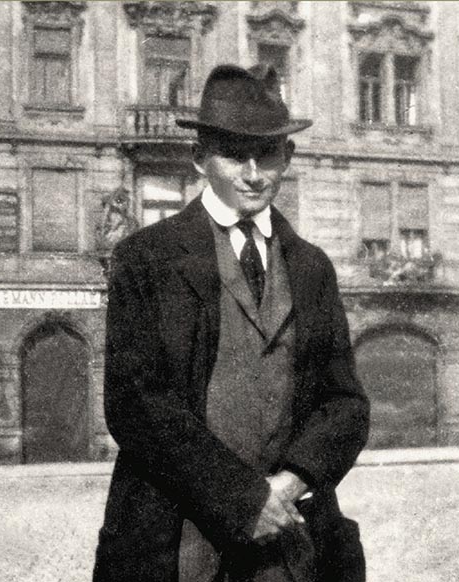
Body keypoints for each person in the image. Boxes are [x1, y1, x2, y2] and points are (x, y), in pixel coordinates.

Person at [92, 63, 369, 582]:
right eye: (233, 154)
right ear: (199, 158)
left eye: (266, 153)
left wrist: (290, 484)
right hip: (178, 540)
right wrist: (243, 501)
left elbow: (345, 404)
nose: (252, 172)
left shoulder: (311, 267)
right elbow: (136, 405)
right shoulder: (146, 259)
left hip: (292, 544)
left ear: (287, 156)